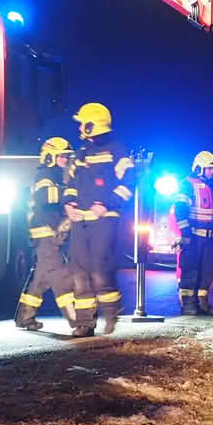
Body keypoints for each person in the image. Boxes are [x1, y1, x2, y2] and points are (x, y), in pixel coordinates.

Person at [64, 101, 132, 337]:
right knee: (79, 272)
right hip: (80, 221)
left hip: (104, 219)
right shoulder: (81, 153)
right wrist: (69, 204)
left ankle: (112, 312)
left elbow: (128, 184)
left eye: (83, 123)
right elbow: (71, 184)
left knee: (99, 268)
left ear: (93, 125)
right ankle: (85, 323)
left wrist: (106, 204)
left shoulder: (117, 150)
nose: (80, 127)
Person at [15, 136, 76, 332]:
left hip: (46, 231)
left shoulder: (54, 174)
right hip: (46, 231)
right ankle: (76, 319)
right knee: (60, 275)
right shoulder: (46, 175)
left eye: (67, 157)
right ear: (50, 156)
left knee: (41, 277)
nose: (66, 160)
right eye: (62, 156)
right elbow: (44, 197)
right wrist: (68, 193)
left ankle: (25, 316)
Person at [174, 151, 213, 315]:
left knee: (207, 272)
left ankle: (202, 303)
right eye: (209, 169)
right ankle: (188, 305)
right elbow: (180, 210)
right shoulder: (187, 184)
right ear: (198, 169)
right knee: (190, 270)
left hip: (210, 238)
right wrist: (185, 233)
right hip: (194, 237)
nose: (212, 172)